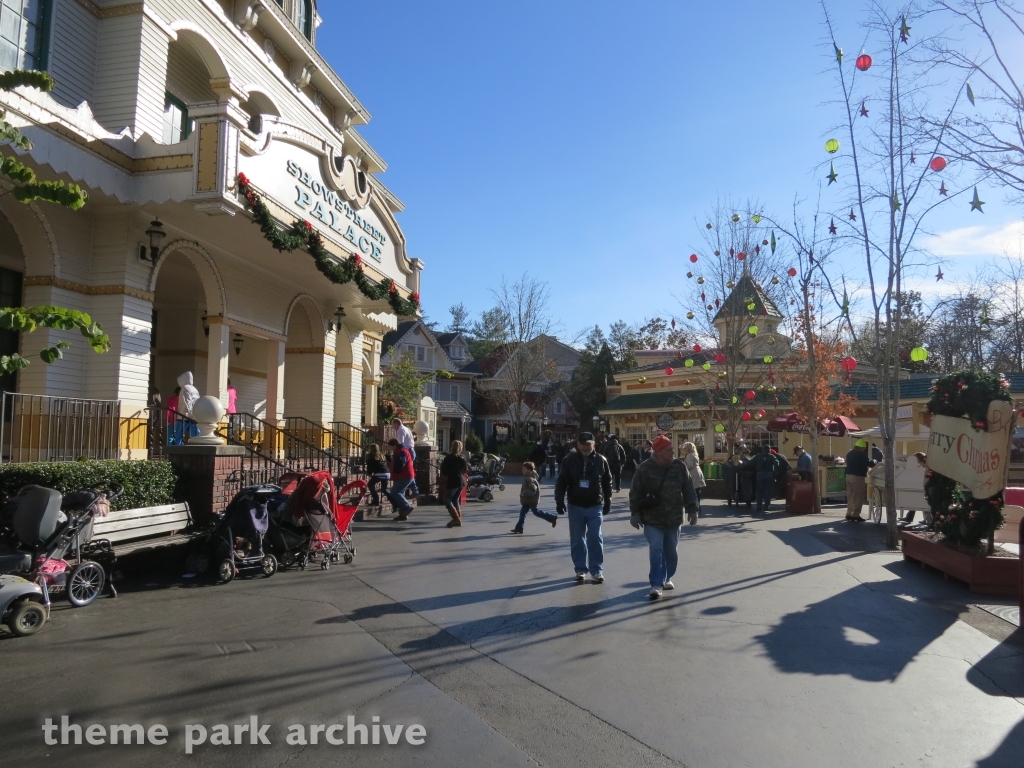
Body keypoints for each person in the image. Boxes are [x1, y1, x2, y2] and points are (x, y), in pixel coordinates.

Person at [629, 434, 698, 600]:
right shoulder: (644, 468)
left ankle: (667, 577)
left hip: (673, 518)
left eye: (672, 449)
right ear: (658, 452)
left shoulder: (679, 466)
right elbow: (635, 492)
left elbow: (688, 489)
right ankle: (656, 583)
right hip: (652, 519)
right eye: (668, 450)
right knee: (656, 549)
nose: (672, 452)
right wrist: (635, 514)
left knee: (671, 551)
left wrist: (692, 510)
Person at [555, 432, 612, 583]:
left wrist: (608, 501)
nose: (586, 447)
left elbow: (607, 482)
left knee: (595, 536)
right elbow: (561, 482)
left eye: (588, 444)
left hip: (595, 504)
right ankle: (580, 569)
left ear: (594, 444)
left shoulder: (601, 460)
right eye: (583, 444)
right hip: (575, 504)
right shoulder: (569, 460)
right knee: (577, 539)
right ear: (578, 445)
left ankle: (596, 570)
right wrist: (559, 501)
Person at [512, 461, 558, 533]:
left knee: (536, 512)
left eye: (524, 469)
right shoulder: (528, 477)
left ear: (529, 470)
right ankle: (519, 528)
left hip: (531, 500)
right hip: (527, 500)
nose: (522, 470)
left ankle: (552, 517)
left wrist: (525, 493)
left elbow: (533, 489)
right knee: (522, 514)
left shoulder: (530, 478)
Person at [384, 438, 416, 520]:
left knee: (394, 492)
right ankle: (402, 514)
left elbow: (401, 463)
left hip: (404, 476)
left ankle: (407, 507)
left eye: (391, 446)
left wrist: (395, 472)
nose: (390, 448)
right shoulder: (402, 450)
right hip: (406, 475)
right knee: (401, 493)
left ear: (394, 445)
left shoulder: (401, 451)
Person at [439, 440, 468, 528]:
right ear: (460, 448)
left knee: (447, 499)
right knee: (455, 499)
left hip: (453, 480)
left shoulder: (448, 458)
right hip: (461, 481)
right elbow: (465, 470)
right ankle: (458, 519)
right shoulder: (462, 458)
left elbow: (444, 471)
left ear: (452, 447)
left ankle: (456, 518)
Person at [844, 439, 874, 522]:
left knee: (850, 495)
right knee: (858, 496)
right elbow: (869, 463)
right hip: (858, 477)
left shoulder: (849, 453)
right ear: (862, 448)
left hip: (848, 476)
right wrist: (874, 461)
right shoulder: (861, 455)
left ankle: (849, 513)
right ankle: (855, 515)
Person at [900, 452, 929, 524]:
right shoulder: (923, 467)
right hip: (922, 487)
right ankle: (922, 519)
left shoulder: (924, 467)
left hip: (924, 487)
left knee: (917, 500)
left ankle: (910, 518)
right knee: (918, 500)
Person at [680, 441, 706, 514]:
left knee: (693, 491)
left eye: (685, 448)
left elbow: (690, 465)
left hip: (693, 473)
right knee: (697, 491)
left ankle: (695, 507)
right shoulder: (694, 454)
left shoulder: (689, 455)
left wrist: (683, 468)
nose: (684, 449)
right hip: (697, 472)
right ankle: (698, 506)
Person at [753, 445, 779, 514]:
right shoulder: (772, 456)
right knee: (768, 491)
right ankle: (766, 506)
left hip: (760, 474)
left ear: (762, 450)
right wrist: (775, 472)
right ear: (769, 450)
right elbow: (777, 463)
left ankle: (759, 506)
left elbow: (751, 463)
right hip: (769, 474)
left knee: (759, 491)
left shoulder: (758, 456)